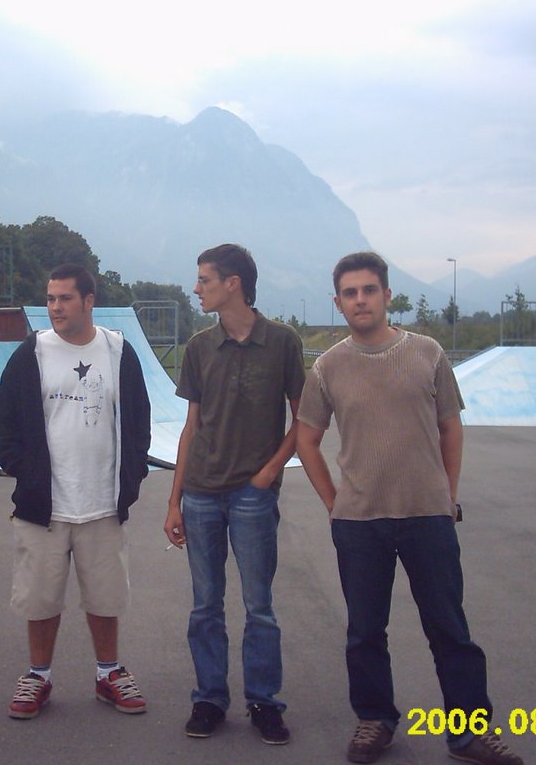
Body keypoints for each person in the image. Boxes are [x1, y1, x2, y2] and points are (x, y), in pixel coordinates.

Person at [295, 251, 523, 765]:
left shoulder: (428, 353)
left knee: (449, 628)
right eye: (350, 293)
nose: (360, 300)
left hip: (427, 515)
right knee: (365, 631)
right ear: (338, 302)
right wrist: (334, 503)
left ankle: (469, 732)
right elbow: (306, 439)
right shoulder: (329, 366)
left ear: (386, 295)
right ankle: (375, 720)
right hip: (359, 522)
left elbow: (450, 425)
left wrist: (448, 494)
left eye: (368, 290)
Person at [0, 263, 152, 721]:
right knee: (41, 597)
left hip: (102, 502)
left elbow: (139, 421)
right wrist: (27, 475)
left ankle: (109, 673)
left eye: (65, 298)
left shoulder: (118, 351)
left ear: (89, 301)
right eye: (50, 299)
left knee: (105, 596)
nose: (55, 308)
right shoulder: (33, 353)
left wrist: (132, 478)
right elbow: (3, 422)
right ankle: (37, 676)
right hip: (45, 505)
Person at [163, 243, 305, 746]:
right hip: (201, 492)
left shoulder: (283, 342)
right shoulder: (200, 347)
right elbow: (190, 427)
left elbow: (303, 420)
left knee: (258, 605)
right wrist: (174, 499)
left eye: (204, 279)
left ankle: (265, 702)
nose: (196, 288)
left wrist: (269, 472)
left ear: (233, 283)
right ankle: (209, 698)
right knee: (205, 605)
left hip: (252, 495)